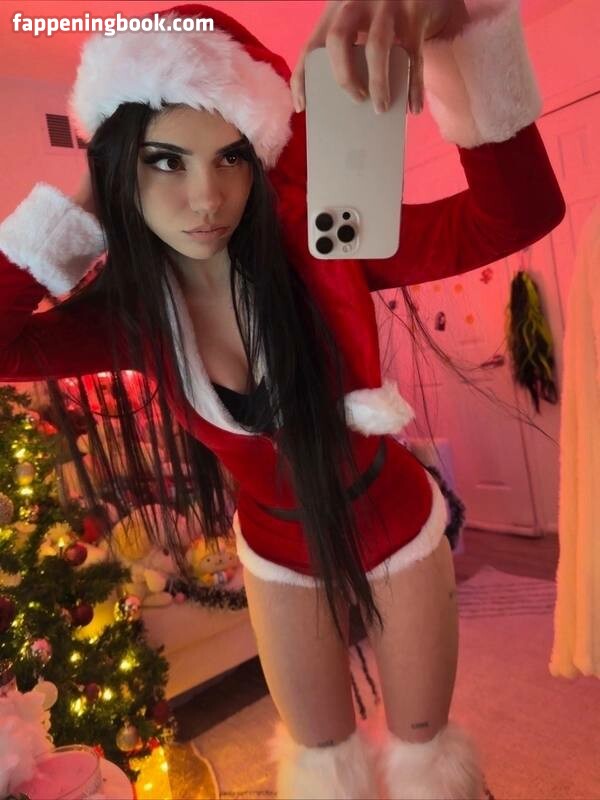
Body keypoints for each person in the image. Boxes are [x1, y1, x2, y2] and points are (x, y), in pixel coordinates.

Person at [0, 1, 565, 798]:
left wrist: (458, 31)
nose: (207, 197)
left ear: (259, 156)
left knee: (427, 758)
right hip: (277, 553)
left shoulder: (323, 244)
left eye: (231, 156)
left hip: (396, 524)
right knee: (322, 763)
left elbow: (519, 214)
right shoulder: (132, 318)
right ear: (120, 165)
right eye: (166, 162)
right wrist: (88, 203)